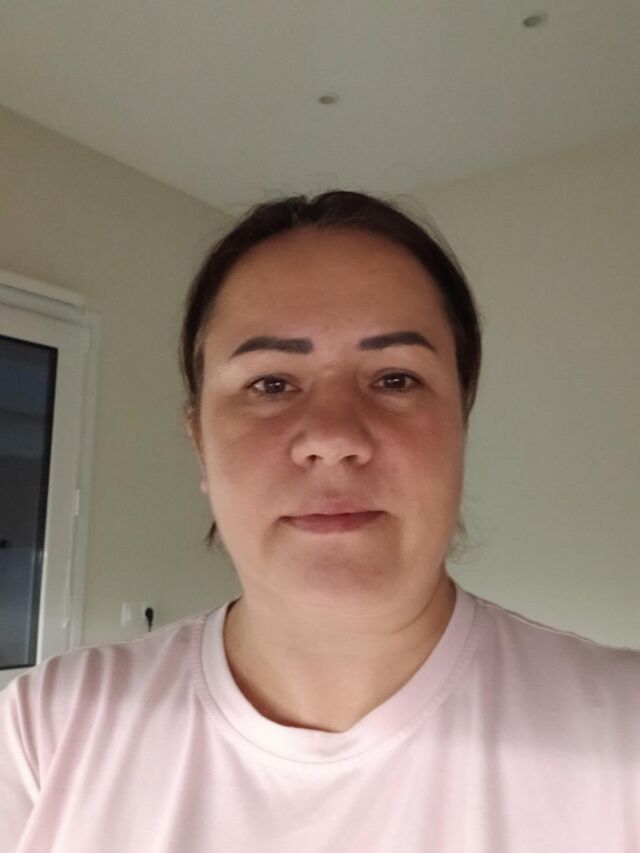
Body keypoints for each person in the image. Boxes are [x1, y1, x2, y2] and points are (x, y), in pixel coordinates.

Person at [1, 191, 639, 852]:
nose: (333, 438)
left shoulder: (623, 732)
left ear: (461, 422)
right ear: (199, 441)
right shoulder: (48, 731)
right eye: (271, 384)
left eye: (395, 379)